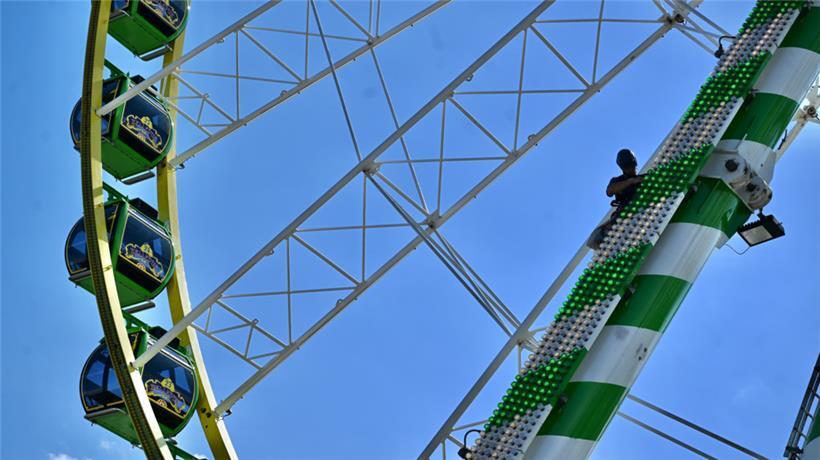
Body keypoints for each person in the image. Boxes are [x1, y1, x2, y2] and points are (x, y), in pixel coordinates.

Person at [586, 149, 644, 250]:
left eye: (630, 166)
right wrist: (631, 181)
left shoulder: (645, 178)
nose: (630, 169)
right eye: (627, 167)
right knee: (596, 238)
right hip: (624, 214)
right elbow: (610, 191)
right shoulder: (618, 181)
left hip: (643, 211)